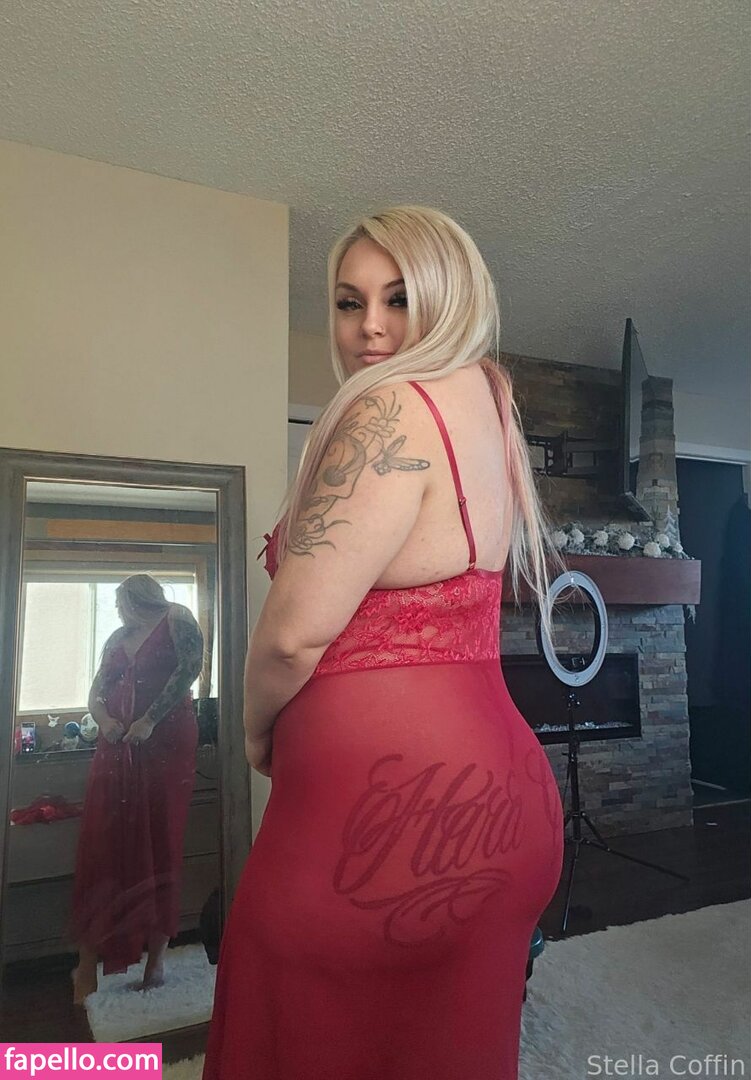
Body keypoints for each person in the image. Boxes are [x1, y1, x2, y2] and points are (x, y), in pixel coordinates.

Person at [203, 206, 567, 1079]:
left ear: (451, 295)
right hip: (504, 805)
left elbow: (293, 637)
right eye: (349, 301)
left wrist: (252, 730)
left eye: (399, 298)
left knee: (290, 1036)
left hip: (388, 828)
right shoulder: (491, 403)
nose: (370, 325)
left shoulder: (391, 407)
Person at [70, 573, 203, 1003]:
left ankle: (156, 959)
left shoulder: (177, 618)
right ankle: (86, 964)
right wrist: (105, 720)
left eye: (121, 601)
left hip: (165, 744)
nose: (117, 610)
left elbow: (189, 668)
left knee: (161, 842)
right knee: (103, 846)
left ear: (137, 597)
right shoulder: (116, 638)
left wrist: (148, 721)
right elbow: (96, 690)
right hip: (115, 747)